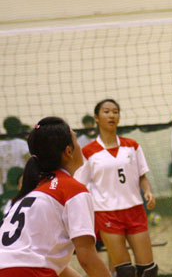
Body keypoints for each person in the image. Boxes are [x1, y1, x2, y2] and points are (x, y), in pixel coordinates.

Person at [0, 117, 111, 277]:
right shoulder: (72, 189)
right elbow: (87, 257)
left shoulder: (34, 190)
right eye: (76, 139)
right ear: (69, 151)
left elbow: (51, 264)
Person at [75, 99, 158, 277]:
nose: (112, 115)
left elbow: (142, 176)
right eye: (106, 111)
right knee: (125, 271)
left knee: (149, 270)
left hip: (135, 209)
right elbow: (80, 186)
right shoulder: (88, 152)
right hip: (106, 213)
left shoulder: (132, 145)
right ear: (96, 118)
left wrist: (148, 191)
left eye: (115, 111)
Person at [0, 116, 30, 192]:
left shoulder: (0, 144)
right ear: (19, 128)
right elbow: (30, 161)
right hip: (20, 182)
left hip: (6, 184)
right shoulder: (21, 143)